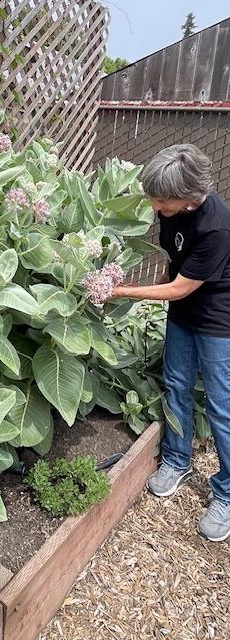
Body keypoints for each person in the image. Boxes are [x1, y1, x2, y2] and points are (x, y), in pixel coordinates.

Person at [110, 143, 230, 542]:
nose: (156, 206)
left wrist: (125, 292)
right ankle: (177, 461)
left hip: (218, 319)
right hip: (183, 312)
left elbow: (181, 287)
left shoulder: (217, 227)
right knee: (175, 385)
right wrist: (154, 286)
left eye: (162, 200)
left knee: (221, 404)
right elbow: (173, 263)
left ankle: (226, 493)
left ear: (192, 198)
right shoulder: (170, 209)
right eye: (154, 198)